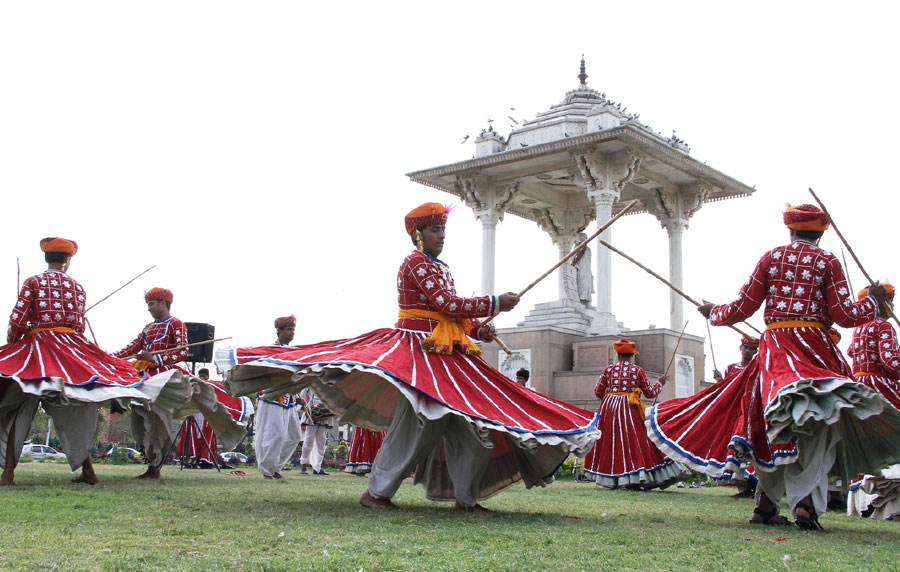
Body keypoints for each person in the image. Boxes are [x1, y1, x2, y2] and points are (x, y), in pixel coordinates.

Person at [217, 202, 601, 511]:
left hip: (449, 356)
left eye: (444, 231)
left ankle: (466, 500)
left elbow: (452, 315)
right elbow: (445, 303)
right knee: (418, 425)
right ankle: (377, 493)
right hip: (417, 353)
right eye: (435, 230)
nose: (441, 237)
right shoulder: (413, 263)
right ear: (418, 233)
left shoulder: (441, 266)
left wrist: (479, 328)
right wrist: (492, 302)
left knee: (474, 435)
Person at [647, 203, 900, 530]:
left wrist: (713, 312)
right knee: (818, 425)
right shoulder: (828, 261)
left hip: (775, 354)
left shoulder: (771, 257)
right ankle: (803, 505)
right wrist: (874, 302)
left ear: (791, 230)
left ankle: (766, 507)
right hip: (816, 353)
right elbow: (845, 316)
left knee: (769, 427)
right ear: (821, 234)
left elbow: (742, 306)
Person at [0, 238, 178, 486]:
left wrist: (14, 344)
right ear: (68, 261)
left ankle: (8, 473)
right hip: (71, 353)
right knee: (78, 407)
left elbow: (17, 321)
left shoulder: (33, 281)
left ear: (46, 259)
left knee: (18, 407)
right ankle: (88, 470)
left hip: (38, 352)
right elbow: (79, 326)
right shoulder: (77, 287)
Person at [114, 288, 249, 479]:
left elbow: (182, 352)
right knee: (141, 418)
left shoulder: (176, 324)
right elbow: (131, 348)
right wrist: (105, 357)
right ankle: (151, 464)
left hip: (165, 377)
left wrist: (156, 358)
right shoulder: (148, 328)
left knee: (157, 418)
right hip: (145, 376)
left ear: (163, 303)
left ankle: (155, 468)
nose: (149, 309)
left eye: (151, 304)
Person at [582, 339, 685, 489]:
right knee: (637, 440)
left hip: (609, 408)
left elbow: (598, 392)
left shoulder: (608, 370)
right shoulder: (638, 370)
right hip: (630, 407)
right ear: (632, 355)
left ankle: (612, 478)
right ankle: (639, 474)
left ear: (617, 354)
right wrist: (660, 383)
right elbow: (650, 393)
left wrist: (612, 395)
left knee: (610, 442)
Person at [846, 283, 900, 520]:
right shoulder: (883, 326)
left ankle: (869, 503)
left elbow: (850, 352)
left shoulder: (860, 328)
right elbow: (891, 362)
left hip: (860, 387)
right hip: (880, 386)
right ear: (886, 302)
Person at [710, 335, 760, 497]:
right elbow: (727, 389)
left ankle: (751, 482)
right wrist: (719, 380)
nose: (747, 351)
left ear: (755, 351)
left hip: (751, 410)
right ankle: (741, 485)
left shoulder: (757, 367)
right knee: (732, 446)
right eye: (745, 347)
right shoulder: (732, 368)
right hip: (734, 411)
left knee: (748, 444)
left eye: (751, 348)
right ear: (741, 349)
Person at [254, 316, 302, 479]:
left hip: (290, 400)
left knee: (294, 435)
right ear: (279, 331)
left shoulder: (294, 351)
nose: (292, 333)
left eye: (293, 330)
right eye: (288, 330)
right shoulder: (270, 351)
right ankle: (267, 470)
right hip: (273, 397)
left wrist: (299, 394)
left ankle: (275, 466)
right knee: (276, 434)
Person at [298, 386, 334, 475]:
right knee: (308, 440)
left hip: (325, 412)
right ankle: (303, 464)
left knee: (321, 442)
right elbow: (303, 394)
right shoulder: (311, 378)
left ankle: (317, 466)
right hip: (312, 412)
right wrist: (304, 406)